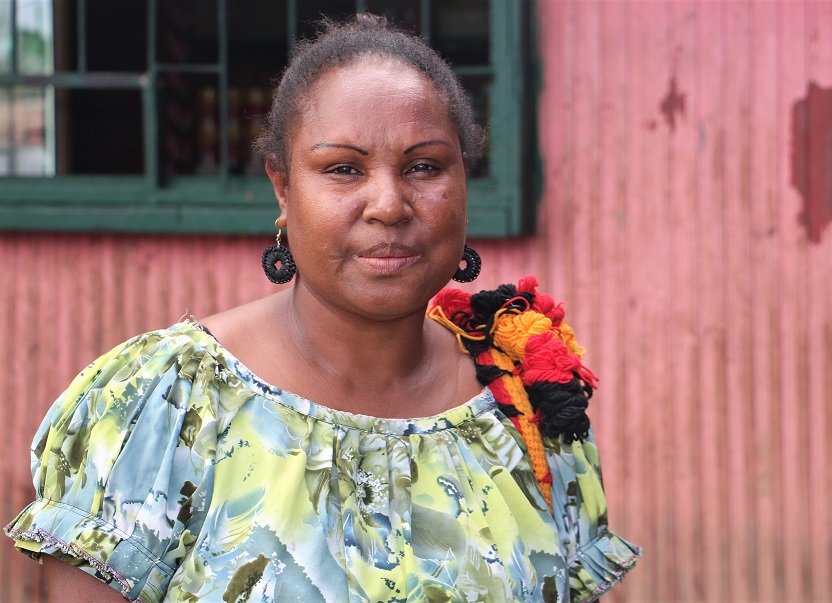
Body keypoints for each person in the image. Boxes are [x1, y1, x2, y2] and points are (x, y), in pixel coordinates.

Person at [5, 14, 639, 603]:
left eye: (424, 166)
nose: (388, 204)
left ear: (464, 182)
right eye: (343, 169)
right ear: (283, 187)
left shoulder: (526, 407)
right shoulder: (167, 403)